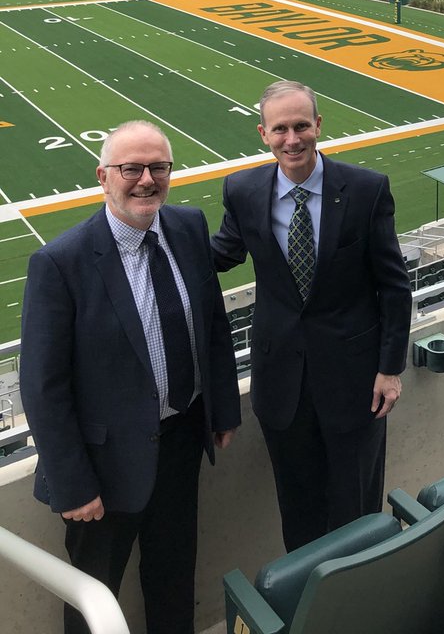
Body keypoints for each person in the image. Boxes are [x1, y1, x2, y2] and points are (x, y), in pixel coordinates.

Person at [19, 121, 241, 634]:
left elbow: (211, 324)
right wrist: (73, 485)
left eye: (158, 167)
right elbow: (42, 388)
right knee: (94, 596)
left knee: (173, 575)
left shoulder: (187, 227)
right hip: (103, 466)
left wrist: (223, 408)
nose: (146, 179)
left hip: (182, 442)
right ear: (103, 176)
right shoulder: (60, 262)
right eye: (131, 168)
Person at [211, 80, 412, 551]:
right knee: (297, 510)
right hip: (282, 383)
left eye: (301, 126)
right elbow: (222, 253)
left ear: (318, 125)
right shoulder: (242, 190)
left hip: (356, 383)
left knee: (356, 509)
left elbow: (394, 285)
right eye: (280, 129)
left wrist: (390, 368)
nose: (292, 139)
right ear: (263, 133)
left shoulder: (365, 190)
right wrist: (155, 237)